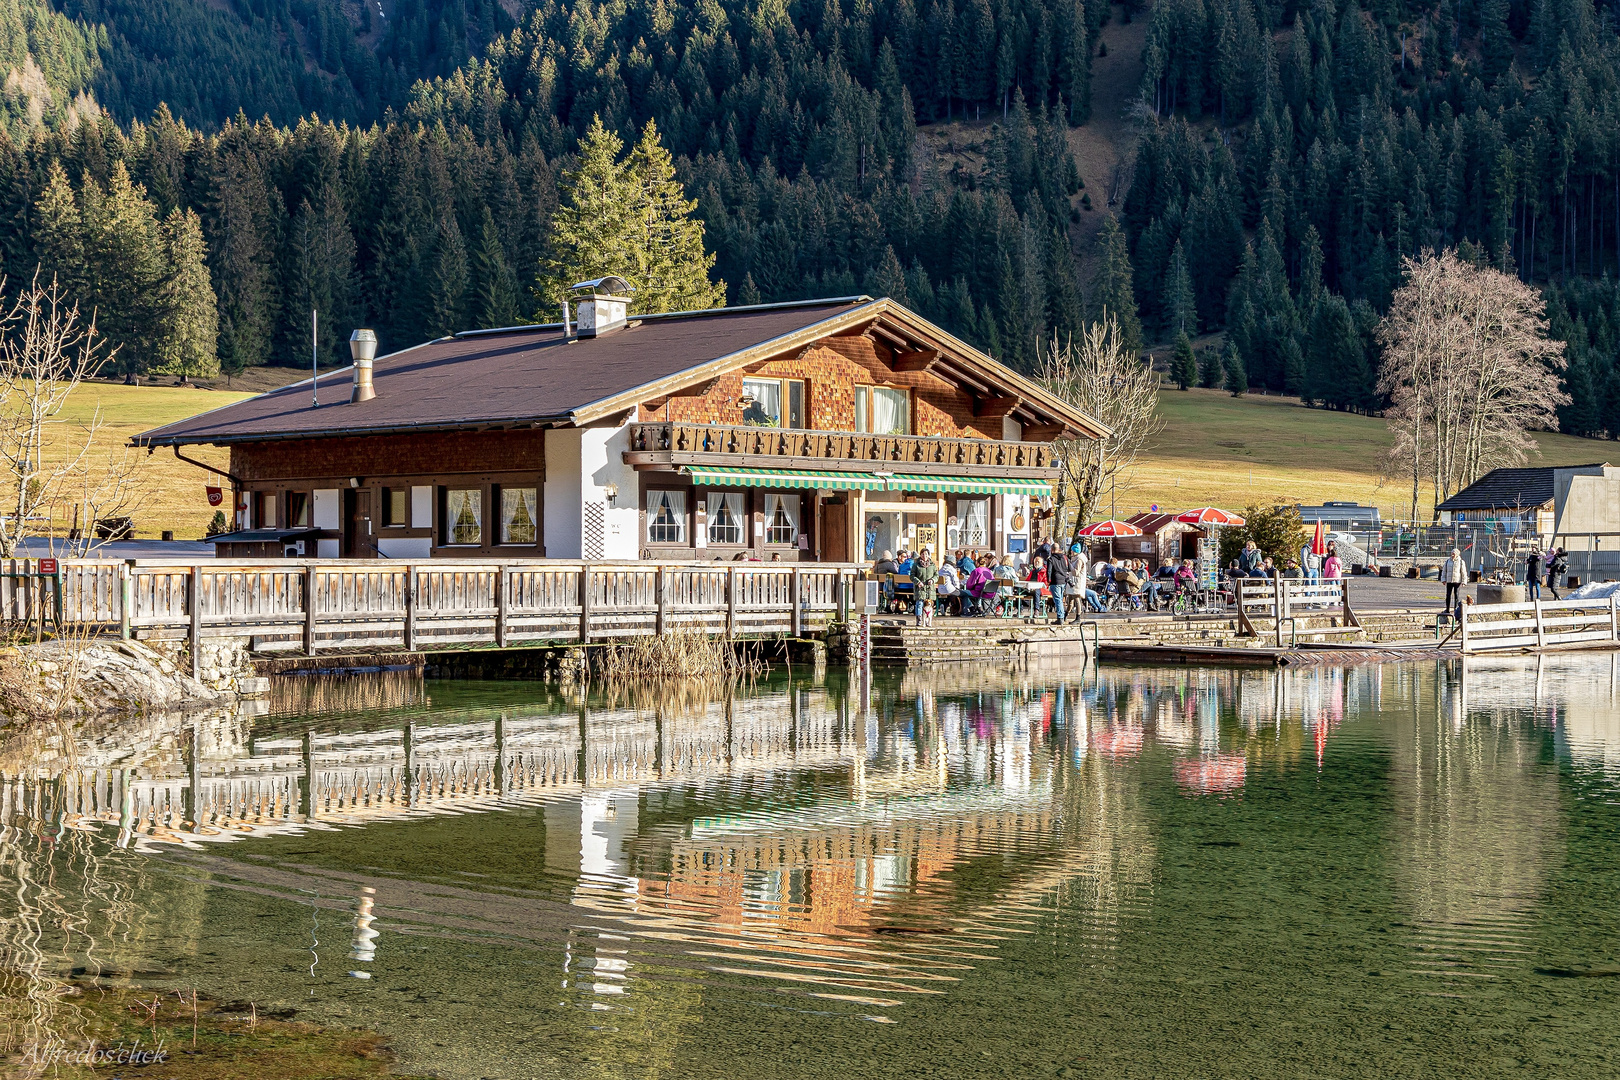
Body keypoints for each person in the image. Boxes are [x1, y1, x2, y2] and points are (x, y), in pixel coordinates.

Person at [911, 548, 938, 626]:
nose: (924, 556)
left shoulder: (932, 565)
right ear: (920, 555)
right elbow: (912, 575)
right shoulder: (916, 564)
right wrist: (918, 582)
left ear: (928, 555)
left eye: (926, 554)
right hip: (920, 588)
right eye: (923, 554)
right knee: (919, 603)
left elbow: (936, 575)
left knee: (929, 605)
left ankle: (928, 620)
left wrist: (933, 580)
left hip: (930, 588)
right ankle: (919, 620)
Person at [1046, 545, 1072, 623]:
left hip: (1055, 581)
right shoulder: (1064, 558)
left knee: (1058, 600)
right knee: (1060, 599)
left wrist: (1048, 580)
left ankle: (1060, 618)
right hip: (1063, 581)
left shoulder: (1051, 559)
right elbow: (1070, 568)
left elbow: (1049, 571)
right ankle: (1062, 615)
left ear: (1052, 550)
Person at [1440, 548, 1466, 612]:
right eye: (1452, 553)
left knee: (1456, 595)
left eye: (1454, 554)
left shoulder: (1461, 562)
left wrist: (1464, 581)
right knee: (1448, 595)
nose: (1452, 555)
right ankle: (1447, 609)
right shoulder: (1448, 561)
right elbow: (1444, 571)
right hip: (1449, 581)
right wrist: (1443, 579)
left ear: (1457, 554)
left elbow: (1463, 572)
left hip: (1457, 581)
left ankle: (1456, 609)